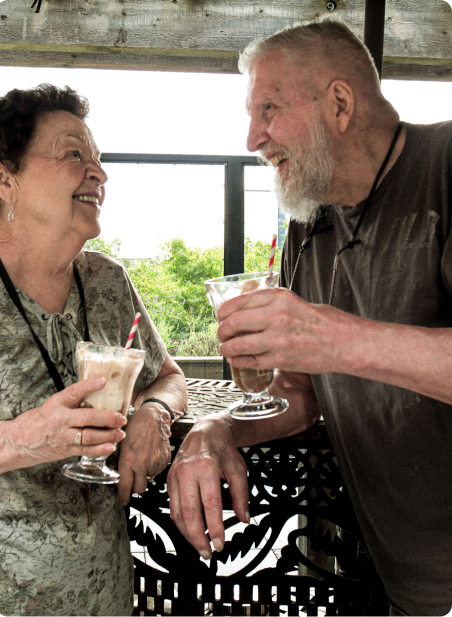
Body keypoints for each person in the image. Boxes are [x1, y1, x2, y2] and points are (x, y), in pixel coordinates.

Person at [167, 17, 452, 617]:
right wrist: (218, 430)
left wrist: (332, 337)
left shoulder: (445, 166)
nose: (252, 139)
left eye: (268, 109)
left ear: (340, 104)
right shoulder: (307, 226)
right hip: (399, 574)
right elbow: (298, 393)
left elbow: (328, 348)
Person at [0, 84, 187, 616]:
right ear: (2, 177)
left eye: (99, 160)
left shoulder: (105, 280)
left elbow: (168, 375)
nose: (99, 173)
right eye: (73, 154)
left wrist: (154, 411)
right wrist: (21, 439)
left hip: (103, 589)